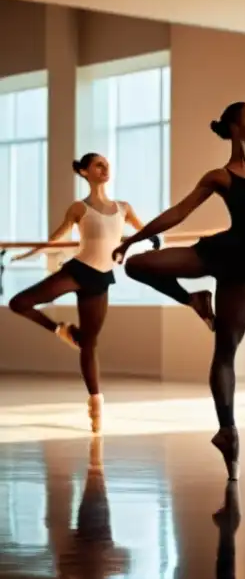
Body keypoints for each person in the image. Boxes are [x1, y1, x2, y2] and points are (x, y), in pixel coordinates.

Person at [110, 102, 245, 480]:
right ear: (235, 128)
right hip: (214, 252)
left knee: (225, 352)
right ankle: (193, 298)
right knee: (137, 265)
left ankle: (227, 431)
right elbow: (179, 212)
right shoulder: (220, 177)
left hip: (241, 273)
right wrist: (133, 239)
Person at [8, 152, 156, 432]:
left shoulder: (123, 207)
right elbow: (56, 237)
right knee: (19, 302)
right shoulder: (79, 208)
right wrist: (26, 254)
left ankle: (96, 404)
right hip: (77, 272)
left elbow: (145, 230)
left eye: (107, 165)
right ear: (86, 172)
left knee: (89, 343)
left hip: (101, 279)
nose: (105, 169)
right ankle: (60, 330)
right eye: (98, 165)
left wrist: (155, 237)